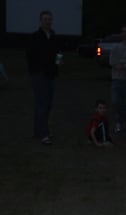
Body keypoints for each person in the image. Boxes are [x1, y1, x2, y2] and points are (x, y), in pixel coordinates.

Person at [26, 10, 62, 145]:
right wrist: (37, 70)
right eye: (45, 19)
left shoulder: (53, 36)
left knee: (47, 104)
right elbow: (30, 56)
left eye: (49, 19)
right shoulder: (35, 37)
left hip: (51, 74)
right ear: (40, 21)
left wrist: (58, 63)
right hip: (39, 75)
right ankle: (44, 134)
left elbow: (58, 53)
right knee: (41, 103)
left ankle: (38, 131)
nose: (48, 21)